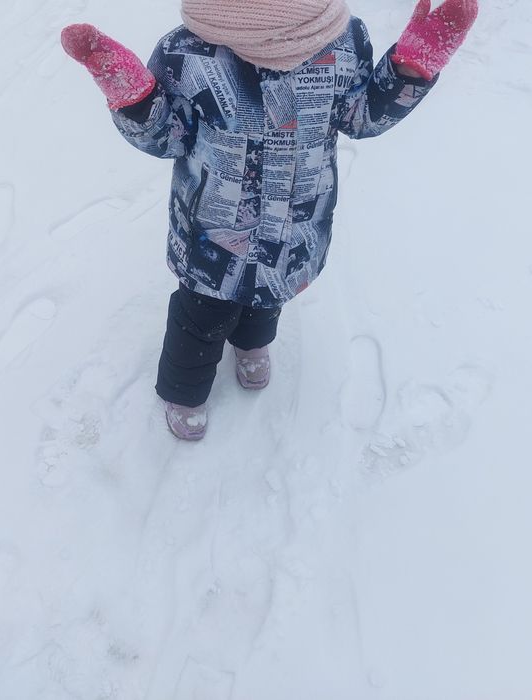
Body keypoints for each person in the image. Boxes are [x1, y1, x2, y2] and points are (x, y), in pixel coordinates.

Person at [60, 0, 479, 441]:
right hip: (212, 237)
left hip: (296, 226)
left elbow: (359, 116)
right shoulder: (187, 52)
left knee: (269, 297)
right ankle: (185, 392)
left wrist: (409, 70)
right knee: (201, 318)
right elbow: (170, 137)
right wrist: (136, 98)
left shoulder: (341, 40)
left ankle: (251, 344)